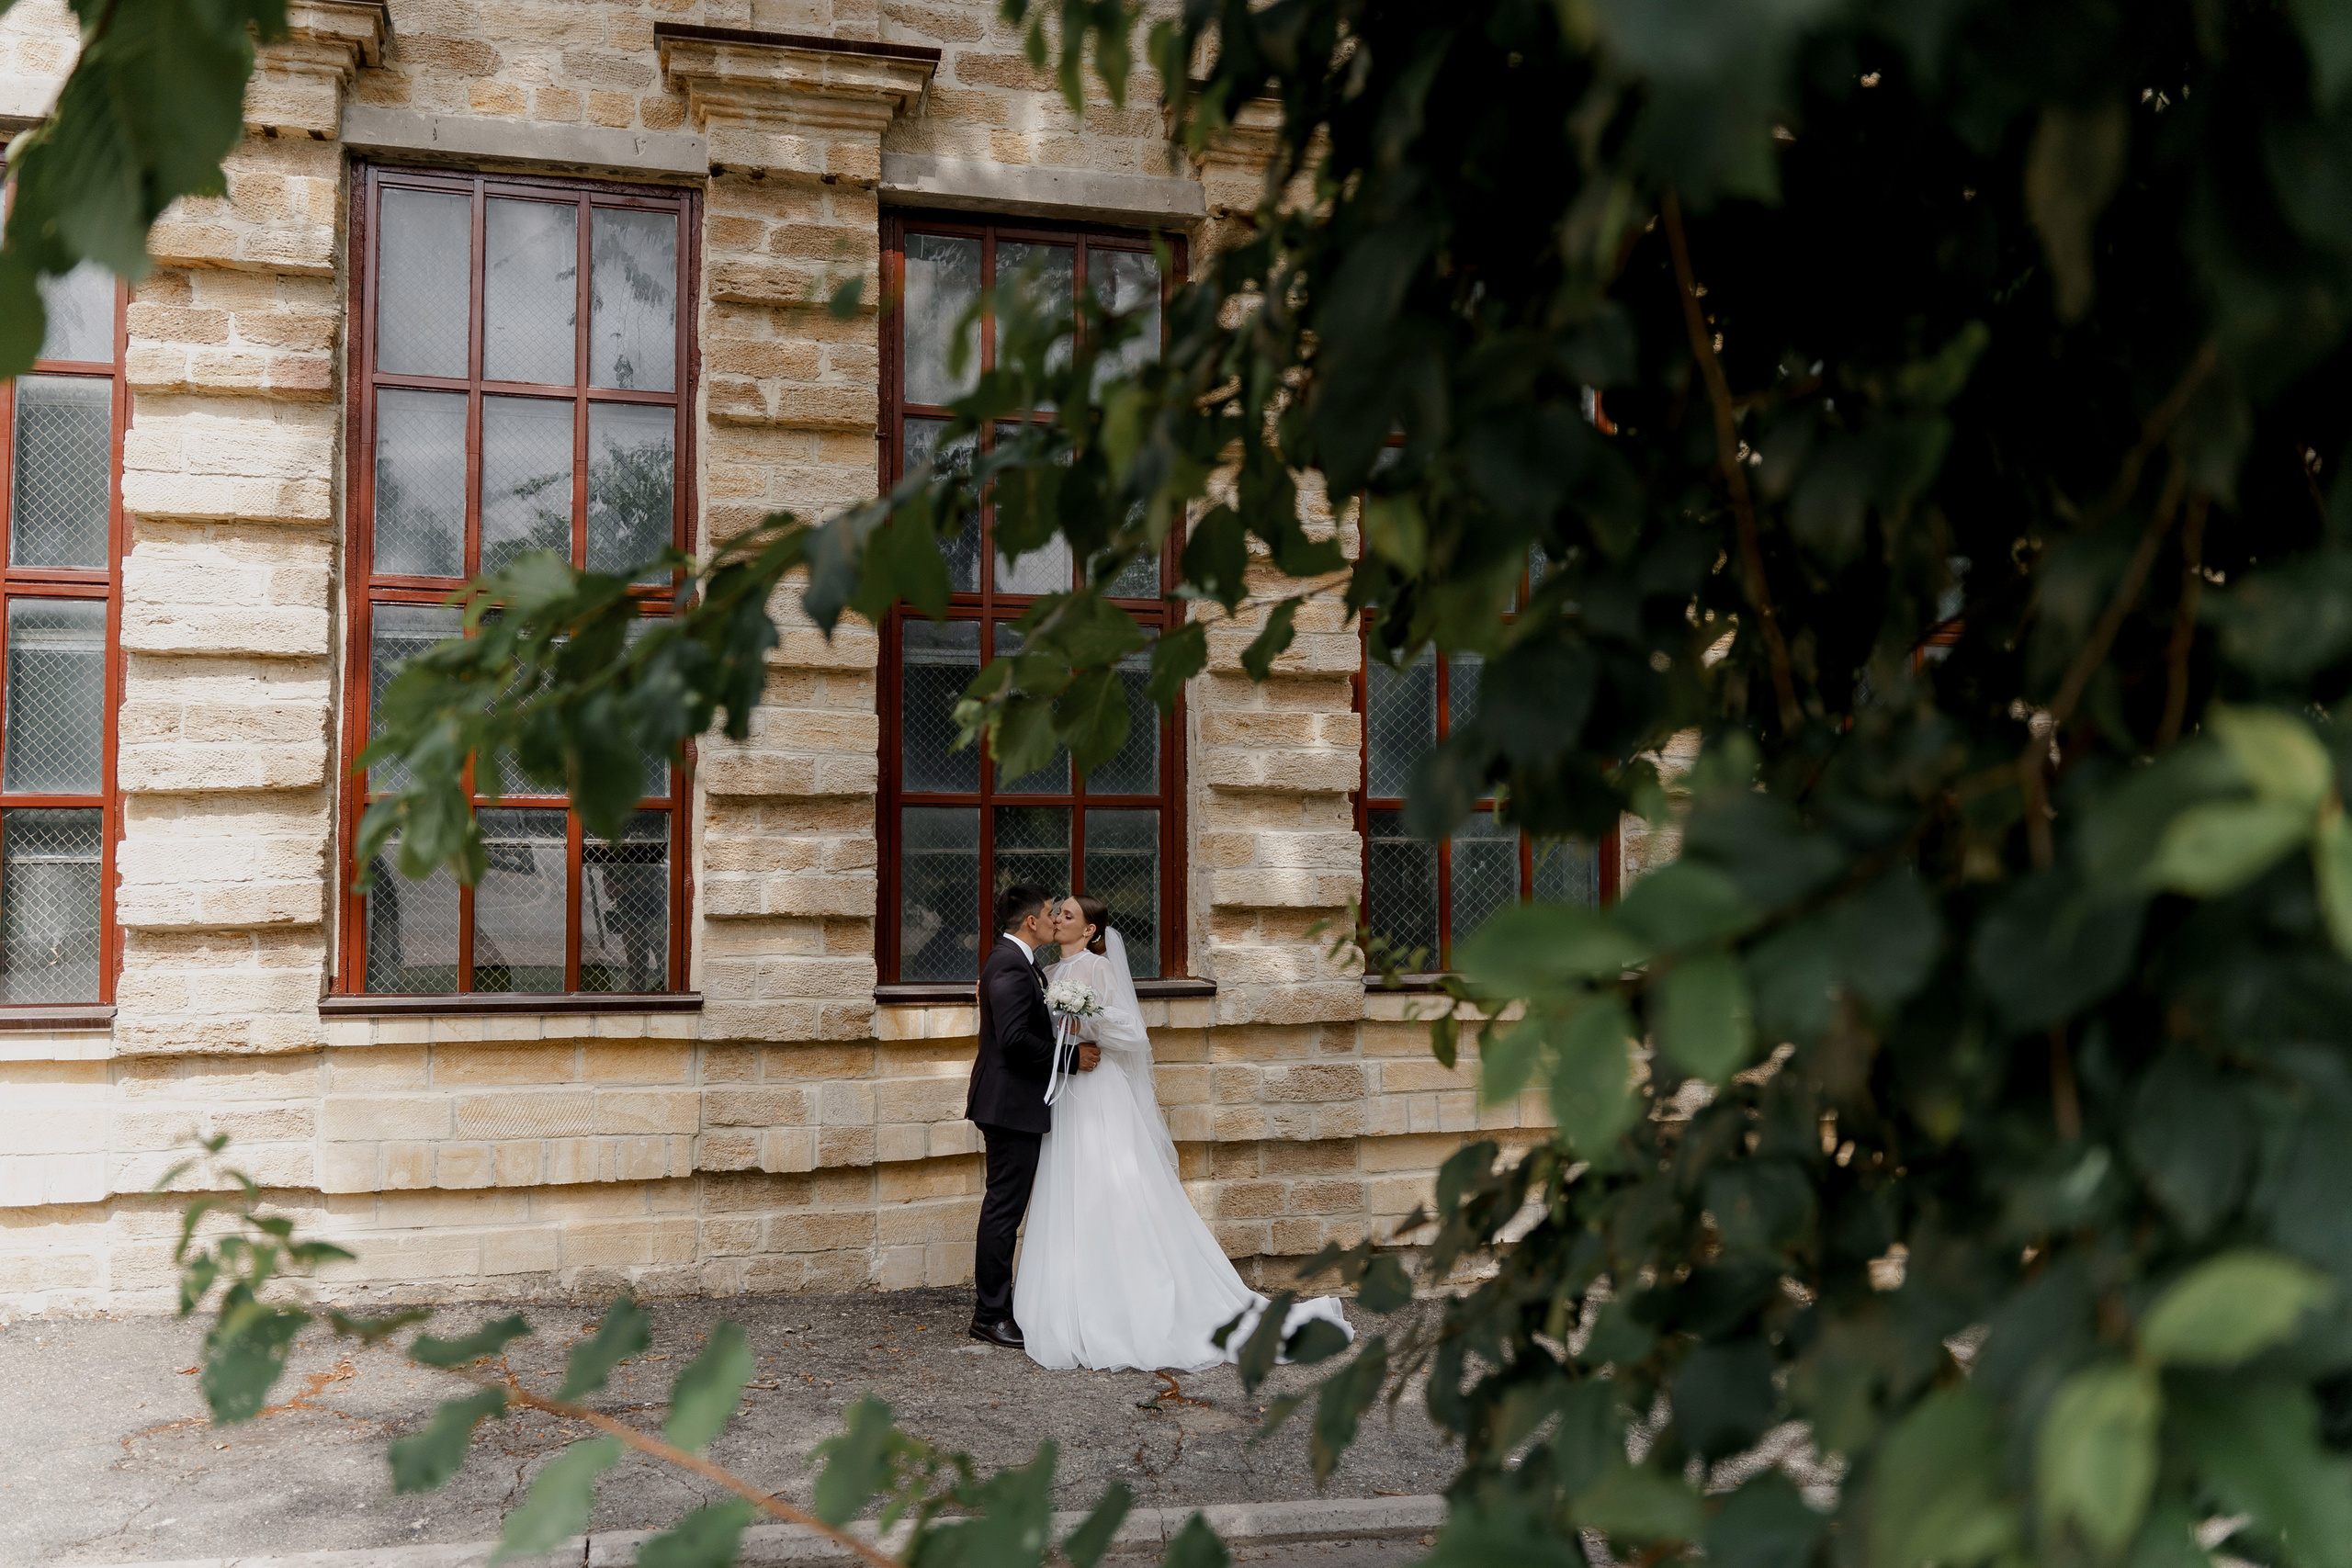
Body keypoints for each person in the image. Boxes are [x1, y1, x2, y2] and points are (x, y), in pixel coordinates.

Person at [1015, 894, 1355, 1371]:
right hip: (1065, 1092)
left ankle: (1131, 1303)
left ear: (1090, 931)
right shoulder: (1048, 976)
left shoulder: (1099, 971)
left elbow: (1132, 1033)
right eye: (1057, 913)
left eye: (1068, 915)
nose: (1058, 919)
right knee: (1068, 1186)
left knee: (1115, 1185)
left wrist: (1085, 1021)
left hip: (1098, 1091)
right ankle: (1072, 1297)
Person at [965, 883, 1098, 1348]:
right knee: (1004, 1210)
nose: (1055, 918)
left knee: (1005, 1207)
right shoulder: (1009, 964)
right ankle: (991, 1314)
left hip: (1013, 1103)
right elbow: (1016, 1040)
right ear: (1030, 922)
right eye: (1049, 912)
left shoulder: (1021, 964)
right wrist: (1070, 1058)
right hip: (1008, 1106)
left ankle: (998, 1307)